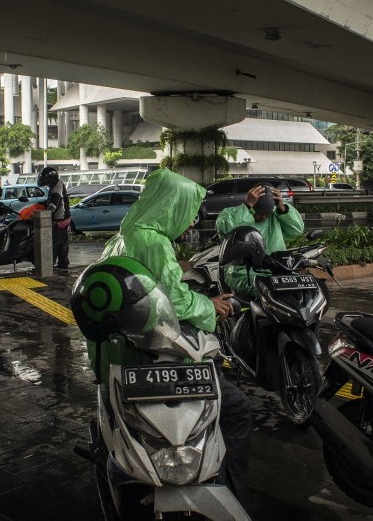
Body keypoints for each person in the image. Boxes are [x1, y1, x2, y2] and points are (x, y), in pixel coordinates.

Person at [89, 167, 252, 501]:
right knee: (236, 407)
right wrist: (209, 306)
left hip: (119, 354)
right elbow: (173, 300)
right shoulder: (154, 241)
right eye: (189, 212)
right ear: (172, 207)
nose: (191, 221)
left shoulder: (125, 234)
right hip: (154, 353)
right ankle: (231, 491)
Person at [216, 183, 304, 299]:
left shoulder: (275, 216)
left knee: (303, 293)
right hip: (243, 273)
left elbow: (296, 229)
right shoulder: (229, 214)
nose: (262, 217)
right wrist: (247, 207)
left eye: (266, 214)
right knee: (267, 293)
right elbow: (229, 229)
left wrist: (282, 208)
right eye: (259, 213)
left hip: (278, 270)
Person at [37, 167, 71, 269]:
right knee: (62, 242)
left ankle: (49, 265)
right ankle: (63, 263)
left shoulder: (56, 189)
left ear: (50, 178)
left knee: (54, 243)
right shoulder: (58, 184)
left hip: (59, 219)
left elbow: (52, 206)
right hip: (64, 217)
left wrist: (43, 215)